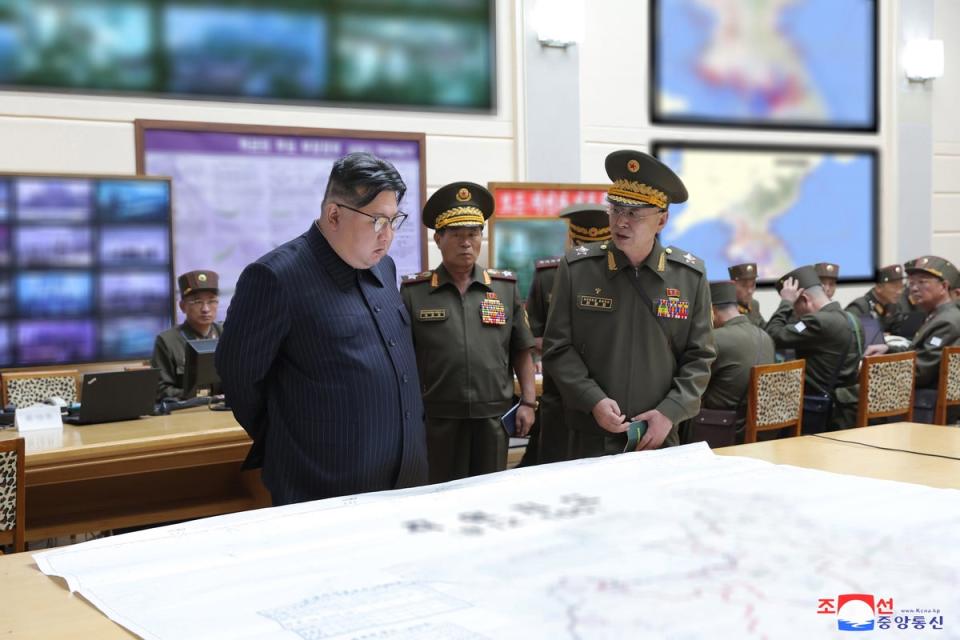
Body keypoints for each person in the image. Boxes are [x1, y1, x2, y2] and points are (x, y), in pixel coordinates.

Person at [215, 151, 428, 505]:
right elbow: (239, 378)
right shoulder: (276, 278)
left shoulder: (384, 270)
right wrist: (294, 439)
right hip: (323, 489)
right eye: (377, 221)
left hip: (404, 483)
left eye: (395, 220)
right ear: (333, 215)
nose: (388, 235)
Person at [542, 150, 716, 456]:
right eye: (616, 209)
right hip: (589, 433)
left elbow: (700, 357)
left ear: (662, 219)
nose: (621, 221)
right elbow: (558, 347)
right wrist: (591, 398)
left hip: (657, 436)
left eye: (634, 213)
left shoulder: (689, 276)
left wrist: (670, 412)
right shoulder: (578, 268)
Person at [401, 182, 536, 483]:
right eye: (457, 235)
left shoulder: (503, 288)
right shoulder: (414, 292)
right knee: (439, 494)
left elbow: (521, 349)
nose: (466, 243)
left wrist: (528, 402)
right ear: (438, 239)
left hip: (493, 419)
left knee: (489, 494)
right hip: (437, 420)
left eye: (473, 234)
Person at [524, 202, 611, 465]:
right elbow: (535, 334)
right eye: (582, 246)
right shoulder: (550, 274)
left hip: (606, 394)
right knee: (555, 461)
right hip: (559, 393)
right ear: (571, 241)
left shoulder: (621, 277)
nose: (588, 253)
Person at [766, 266, 863, 432]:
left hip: (818, 413)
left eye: (795, 307)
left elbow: (772, 336)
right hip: (846, 410)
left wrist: (786, 302)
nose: (795, 313)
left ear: (804, 299)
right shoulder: (852, 319)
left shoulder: (818, 322)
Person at [865, 256, 960, 407]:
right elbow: (918, 353)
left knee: (850, 398)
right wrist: (888, 349)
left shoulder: (946, 321)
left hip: (924, 402)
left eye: (922, 282)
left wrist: (875, 369)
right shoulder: (939, 315)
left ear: (944, 286)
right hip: (921, 398)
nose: (914, 288)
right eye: (912, 283)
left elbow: (920, 372)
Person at [691, 280, 775, 441]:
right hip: (759, 433)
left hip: (718, 430)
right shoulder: (765, 336)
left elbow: (691, 380)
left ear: (711, 311)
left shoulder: (714, 339)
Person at [150, 270, 223, 401]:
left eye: (212, 301)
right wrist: (198, 397)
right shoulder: (167, 341)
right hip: (184, 413)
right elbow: (160, 390)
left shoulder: (226, 334)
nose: (205, 309)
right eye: (197, 302)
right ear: (182, 306)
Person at [845, 264, 906, 332]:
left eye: (901, 286)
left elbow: (898, 332)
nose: (899, 292)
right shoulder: (860, 308)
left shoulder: (894, 306)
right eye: (895, 287)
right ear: (879, 287)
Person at [728, 262, 765, 327]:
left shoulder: (754, 304)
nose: (750, 291)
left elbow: (766, 329)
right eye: (744, 286)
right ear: (732, 285)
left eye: (753, 285)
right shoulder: (725, 309)